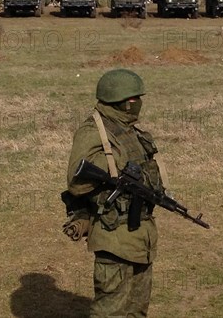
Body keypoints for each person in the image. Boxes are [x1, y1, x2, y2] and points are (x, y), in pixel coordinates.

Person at [67, 68, 163, 317]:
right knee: (110, 312)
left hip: (140, 236)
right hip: (113, 235)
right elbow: (76, 183)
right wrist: (116, 171)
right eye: (136, 99)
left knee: (136, 309)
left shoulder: (129, 130)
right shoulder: (93, 132)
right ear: (125, 103)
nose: (140, 103)